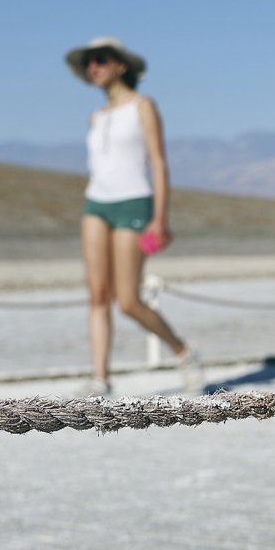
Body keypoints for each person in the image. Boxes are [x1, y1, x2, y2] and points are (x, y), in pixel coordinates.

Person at [66, 37, 202, 396]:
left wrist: (160, 218)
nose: (93, 66)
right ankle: (100, 379)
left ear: (120, 65)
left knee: (127, 301)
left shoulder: (144, 106)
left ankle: (183, 351)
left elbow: (158, 163)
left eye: (100, 59)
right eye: (89, 62)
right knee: (97, 295)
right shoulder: (95, 116)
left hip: (134, 203)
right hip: (96, 203)